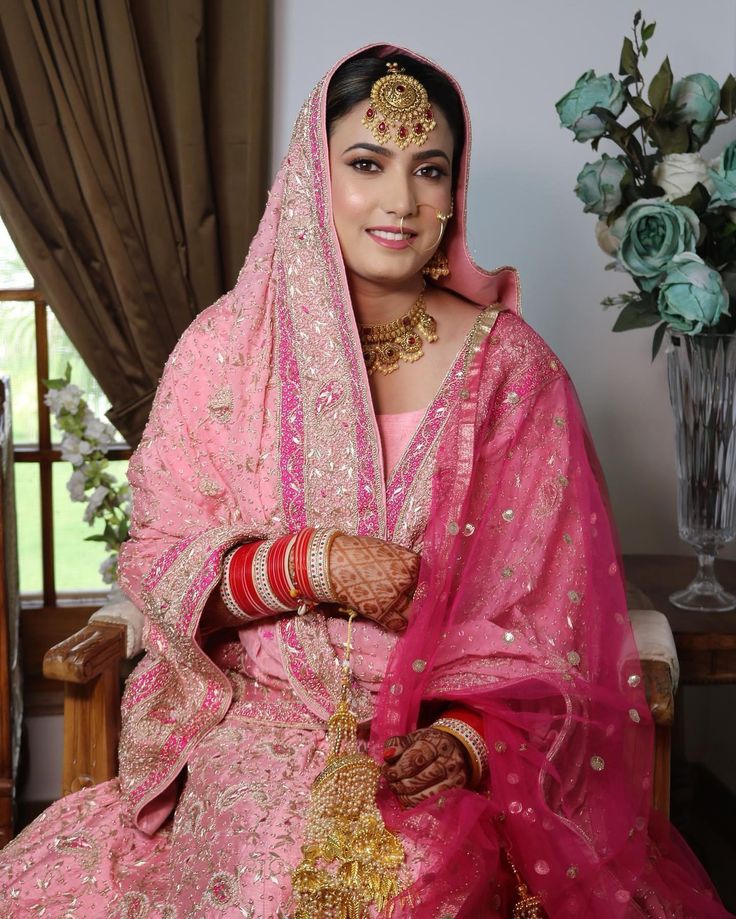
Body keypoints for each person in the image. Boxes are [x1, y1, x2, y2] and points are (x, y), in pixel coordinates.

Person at [0, 42, 732, 919]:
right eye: (366, 163)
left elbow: (555, 619)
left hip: (442, 735)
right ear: (313, 173)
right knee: (266, 873)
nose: (400, 199)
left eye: (429, 169)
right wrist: (314, 564)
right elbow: (159, 562)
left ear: (454, 192)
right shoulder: (225, 353)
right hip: (259, 720)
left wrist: (466, 741)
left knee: (424, 874)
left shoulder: (512, 372)